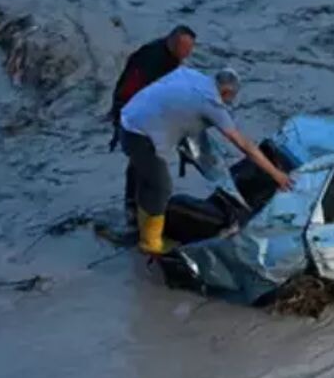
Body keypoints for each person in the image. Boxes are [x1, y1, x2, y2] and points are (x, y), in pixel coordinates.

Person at [119, 66, 293, 255]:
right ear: (226, 92)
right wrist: (276, 174)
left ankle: (132, 215)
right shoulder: (211, 104)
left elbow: (166, 91)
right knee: (160, 186)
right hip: (142, 136)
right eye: (229, 99)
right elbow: (243, 144)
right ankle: (150, 242)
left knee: (140, 170)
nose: (228, 104)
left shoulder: (191, 75)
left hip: (128, 117)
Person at [107, 25, 197, 226]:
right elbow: (133, 90)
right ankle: (136, 209)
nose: (187, 54)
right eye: (184, 49)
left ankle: (137, 206)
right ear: (172, 42)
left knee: (143, 162)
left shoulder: (171, 57)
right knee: (145, 162)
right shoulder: (151, 59)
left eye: (190, 50)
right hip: (133, 113)